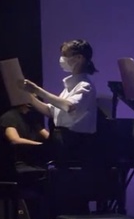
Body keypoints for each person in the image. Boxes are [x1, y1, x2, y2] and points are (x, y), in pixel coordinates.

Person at [21, 39, 99, 168]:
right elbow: (50, 111)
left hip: (76, 145)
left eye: (65, 55)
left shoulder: (85, 86)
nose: (62, 59)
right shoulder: (69, 88)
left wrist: (37, 90)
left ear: (79, 58)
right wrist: (29, 97)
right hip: (61, 141)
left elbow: (69, 106)